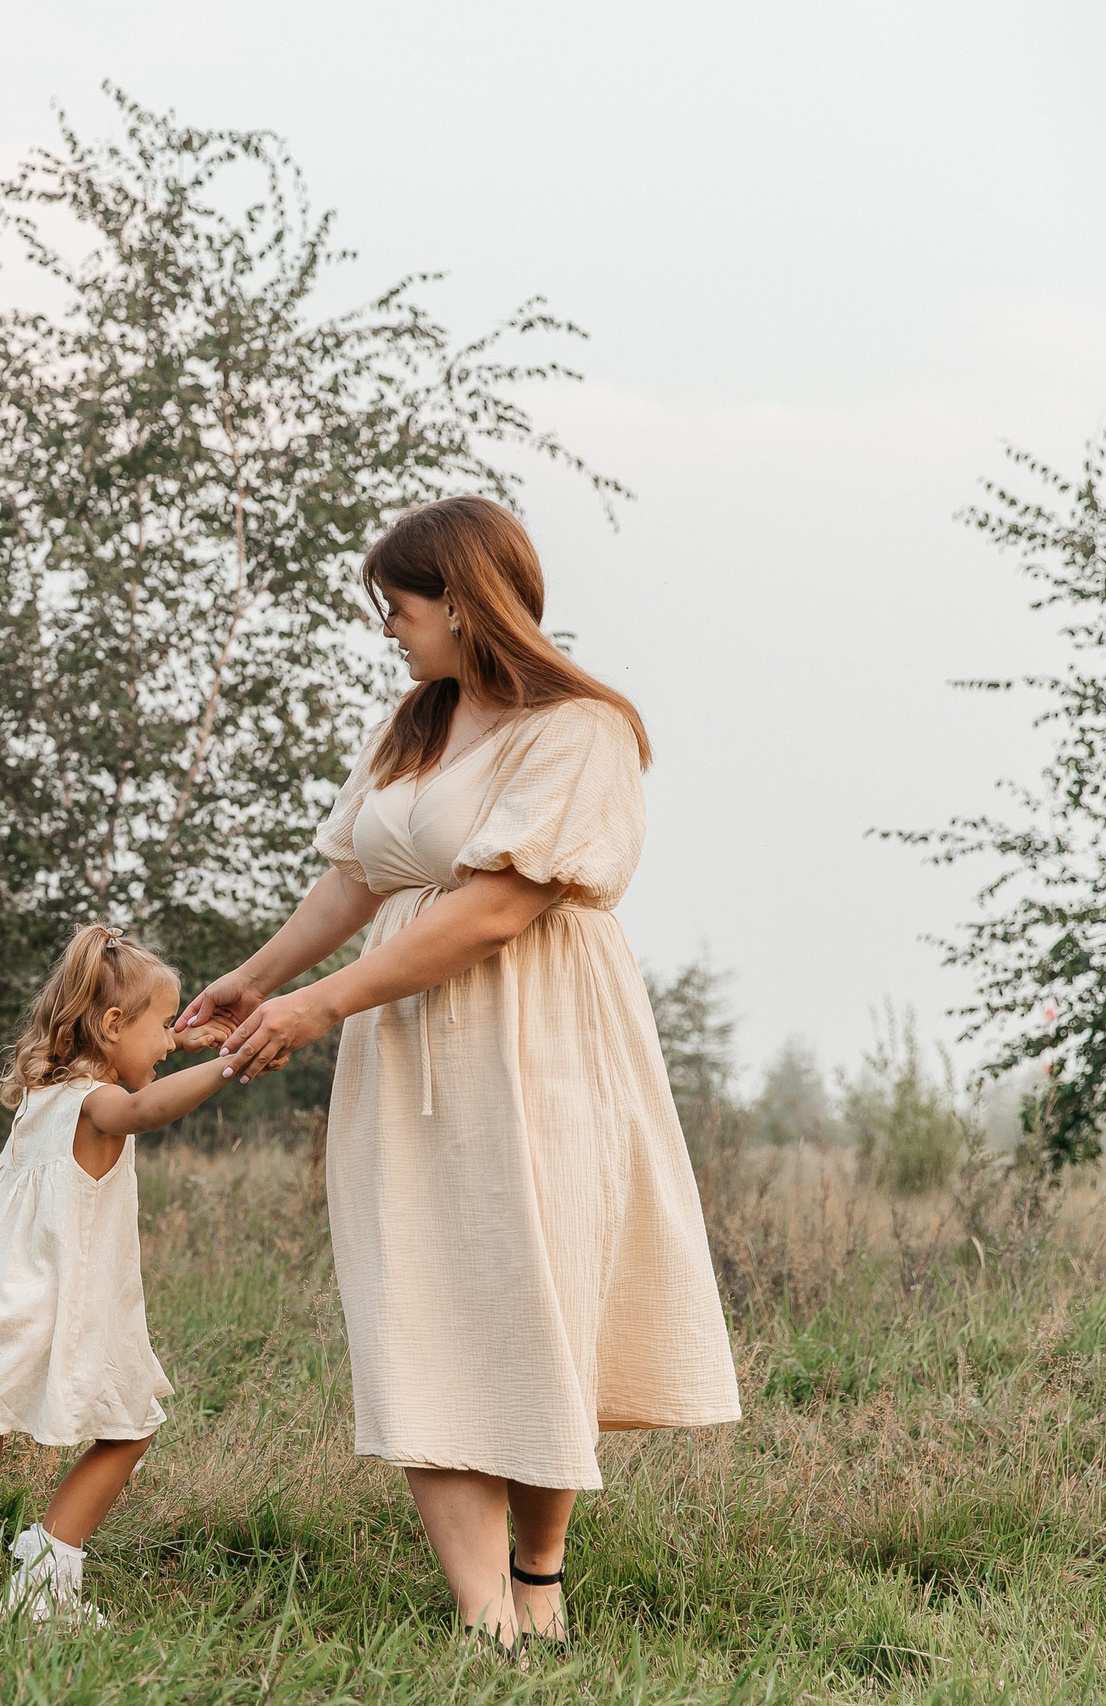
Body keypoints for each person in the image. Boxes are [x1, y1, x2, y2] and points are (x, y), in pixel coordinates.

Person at [179, 495, 742, 1662]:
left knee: (538, 1292)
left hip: (539, 1035)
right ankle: (488, 1629)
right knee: (420, 1302)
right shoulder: (415, 723)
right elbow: (357, 878)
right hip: (405, 1038)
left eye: (399, 605)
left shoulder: (579, 728)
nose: (388, 627)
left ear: (463, 597)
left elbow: (496, 908)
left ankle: (538, 1574)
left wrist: (320, 1003)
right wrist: (254, 976)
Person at [0, 925, 234, 1626]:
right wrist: (235, 1063)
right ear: (111, 1026)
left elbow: (142, 1072)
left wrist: (184, 1042)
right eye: (163, 1026)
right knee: (131, 1429)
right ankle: (44, 1584)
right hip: (54, 1314)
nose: (170, 1042)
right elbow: (144, 1110)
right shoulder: (99, 1107)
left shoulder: (43, 1099)